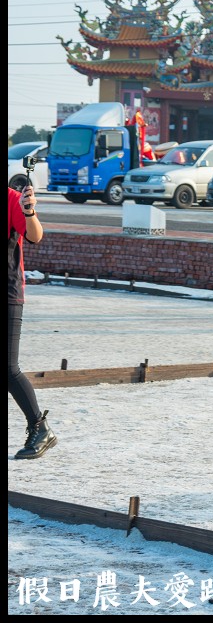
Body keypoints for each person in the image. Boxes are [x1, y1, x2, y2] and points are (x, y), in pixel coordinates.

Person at [8, 184, 57, 459]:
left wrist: (30, 212)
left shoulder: (12, 199)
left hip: (8, 295)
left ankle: (40, 427)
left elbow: (35, 235)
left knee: (8, 368)